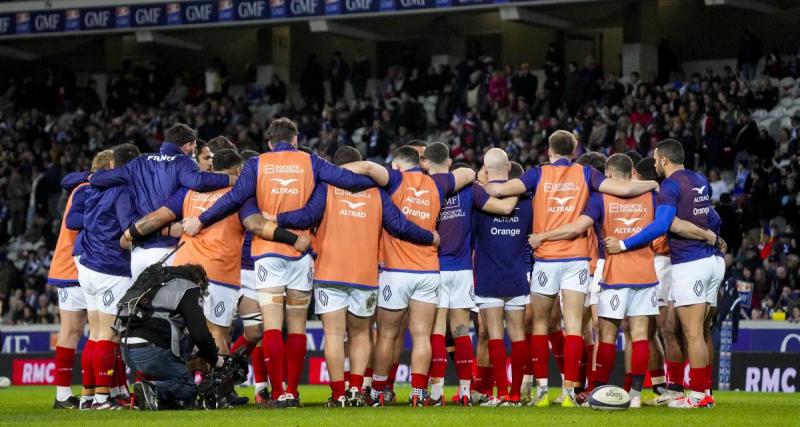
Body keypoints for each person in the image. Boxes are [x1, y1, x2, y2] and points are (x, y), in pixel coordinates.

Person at [182, 117, 376, 408]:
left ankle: (277, 392)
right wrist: (382, 178)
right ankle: (293, 392)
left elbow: (234, 198)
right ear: (295, 139)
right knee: (297, 325)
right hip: (300, 253)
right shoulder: (312, 162)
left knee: (271, 326)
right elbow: (346, 183)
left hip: (267, 253)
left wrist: (201, 219)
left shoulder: (257, 165)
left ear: (270, 142)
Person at [484, 130, 658, 407]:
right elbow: (623, 188)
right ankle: (568, 393)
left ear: (548, 151)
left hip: (546, 258)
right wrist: (652, 184)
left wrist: (480, 180)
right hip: (577, 258)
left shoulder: (537, 174)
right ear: (574, 151)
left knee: (540, 324)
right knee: (575, 326)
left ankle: (541, 391)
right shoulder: (586, 173)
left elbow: (500, 189)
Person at [269, 146, 438, 407]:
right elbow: (400, 226)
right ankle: (356, 391)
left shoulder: (326, 187)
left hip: (330, 272)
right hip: (365, 276)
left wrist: (276, 217)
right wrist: (430, 236)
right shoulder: (379, 193)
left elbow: (307, 216)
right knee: (362, 334)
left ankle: (338, 394)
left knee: (334, 335)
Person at [340, 144, 475, 406]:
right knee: (423, 335)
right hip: (428, 271)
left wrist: (329, 170)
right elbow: (468, 174)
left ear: (397, 165)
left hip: (397, 271)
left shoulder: (395, 179)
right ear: (420, 163)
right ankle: (417, 393)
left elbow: (367, 167)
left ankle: (378, 391)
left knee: (387, 335)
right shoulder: (438, 184)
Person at [530, 154, 659, 408]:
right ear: (632, 172)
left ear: (608, 175)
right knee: (640, 335)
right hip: (646, 272)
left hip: (613, 272)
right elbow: (668, 224)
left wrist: (544, 235)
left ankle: (596, 390)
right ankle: (634, 396)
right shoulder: (651, 196)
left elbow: (577, 227)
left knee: (607, 335)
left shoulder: (600, 197)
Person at [605, 139, 720, 409]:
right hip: (709, 260)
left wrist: (623, 244)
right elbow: (711, 219)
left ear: (665, 160)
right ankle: (703, 393)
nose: (654, 163)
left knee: (691, 333)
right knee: (699, 331)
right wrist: (709, 236)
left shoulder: (669, 186)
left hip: (689, 261)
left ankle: (697, 396)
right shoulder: (699, 180)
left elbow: (660, 226)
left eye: (656, 159)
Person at [426, 146, 518, 406]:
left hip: (437, 267)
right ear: (450, 160)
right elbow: (502, 209)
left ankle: (436, 393)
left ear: (427, 163)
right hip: (463, 270)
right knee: (461, 331)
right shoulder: (470, 189)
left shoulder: (427, 187)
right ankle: (466, 391)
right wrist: (517, 194)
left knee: (438, 331)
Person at [90, 123, 234, 280]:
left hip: (138, 253)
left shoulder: (140, 162)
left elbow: (98, 178)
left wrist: (87, 177)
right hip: (167, 250)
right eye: (193, 146)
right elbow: (198, 181)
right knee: (170, 304)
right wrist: (233, 179)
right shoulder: (183, 162)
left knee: (142, 304)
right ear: (188, 145)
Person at [76, 143, 140, 409]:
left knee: (94, 334)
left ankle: (87, 396)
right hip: (110, 267)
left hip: (89, 266)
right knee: (108, 335)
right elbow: (127, 229)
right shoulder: (121, 190)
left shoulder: (92, 189)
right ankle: (103, 398)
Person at [472, 148, 532, 407]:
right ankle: (516, 395)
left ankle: (500, 394)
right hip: (516, 273)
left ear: (485, 168)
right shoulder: (526, 199)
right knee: (518, 334)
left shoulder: (477, 197)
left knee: (494, 335)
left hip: (488, 274)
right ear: (509, 167)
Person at [50, 155, 109, 409]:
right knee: (85, 329)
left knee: (92, 329)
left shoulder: (82, 186)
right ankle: (69, 394)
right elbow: (75, 222)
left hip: (76, 265)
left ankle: (90, 392)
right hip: (74, 266)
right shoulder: (87, 189)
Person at [123, 264, 219, 410]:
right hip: (151, 349)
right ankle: (153, 389)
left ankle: (158, 392)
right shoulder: (189, 288)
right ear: (199, 282)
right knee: (189, 388)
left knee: (186, 337)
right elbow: (200, 334)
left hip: (126, 350)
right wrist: (214, 358)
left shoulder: (155, 281)